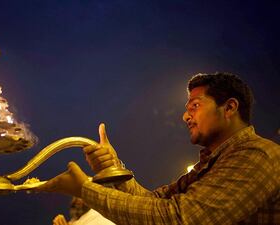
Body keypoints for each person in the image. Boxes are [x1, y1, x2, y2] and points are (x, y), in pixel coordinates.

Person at [39, 72, 280, 224]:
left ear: (229, 108)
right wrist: (113, 168)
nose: (185, 116)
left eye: (195, 106)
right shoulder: (211, 163)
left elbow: (178, 218)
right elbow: (153, 201)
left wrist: (85, 190)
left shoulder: (258, 155)